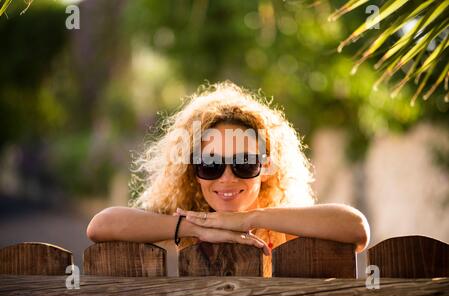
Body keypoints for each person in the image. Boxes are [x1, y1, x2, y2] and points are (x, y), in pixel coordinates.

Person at [86, 81, 370, 277]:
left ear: (267, 167)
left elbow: (356, 229)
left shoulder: (283, 225)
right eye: (210, 165)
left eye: (244, 164)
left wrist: (252, 219)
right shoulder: (192, 218)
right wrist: (194, 228)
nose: (227, 178)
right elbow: (101, 226)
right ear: (193, 171)